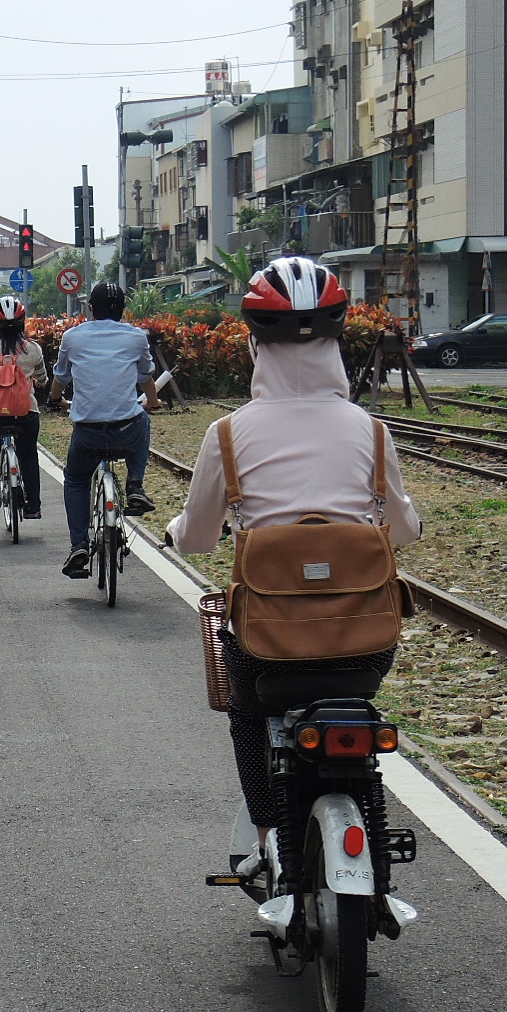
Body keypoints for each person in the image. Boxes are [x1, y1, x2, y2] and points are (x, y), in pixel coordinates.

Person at [167, 256, 423, 875]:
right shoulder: (370, 430)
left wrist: (178, 531)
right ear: (336, 340)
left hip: (267, 648)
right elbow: (406, 530)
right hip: (364, 647)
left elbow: (198, 539)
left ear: (255, 342)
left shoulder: (228, 435)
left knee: (249, 715)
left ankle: (267, 841)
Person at [49, 280, 161, 577]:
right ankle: (135, 484)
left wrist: (54, 399)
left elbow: (61, 376)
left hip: (87, 434)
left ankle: (79, 546)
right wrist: (152, 400)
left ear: (90, 309)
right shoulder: (137, 337)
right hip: (127, 431)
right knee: (143, 419)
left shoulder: (72, 337)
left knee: (75, 479)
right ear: (123, 310)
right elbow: (145, 374)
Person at [0, 295, 49, 517]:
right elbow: (43, 379)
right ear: (22, 322)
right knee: (28, 456)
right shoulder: (33, 350)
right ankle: (33, 508)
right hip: (25, 412)